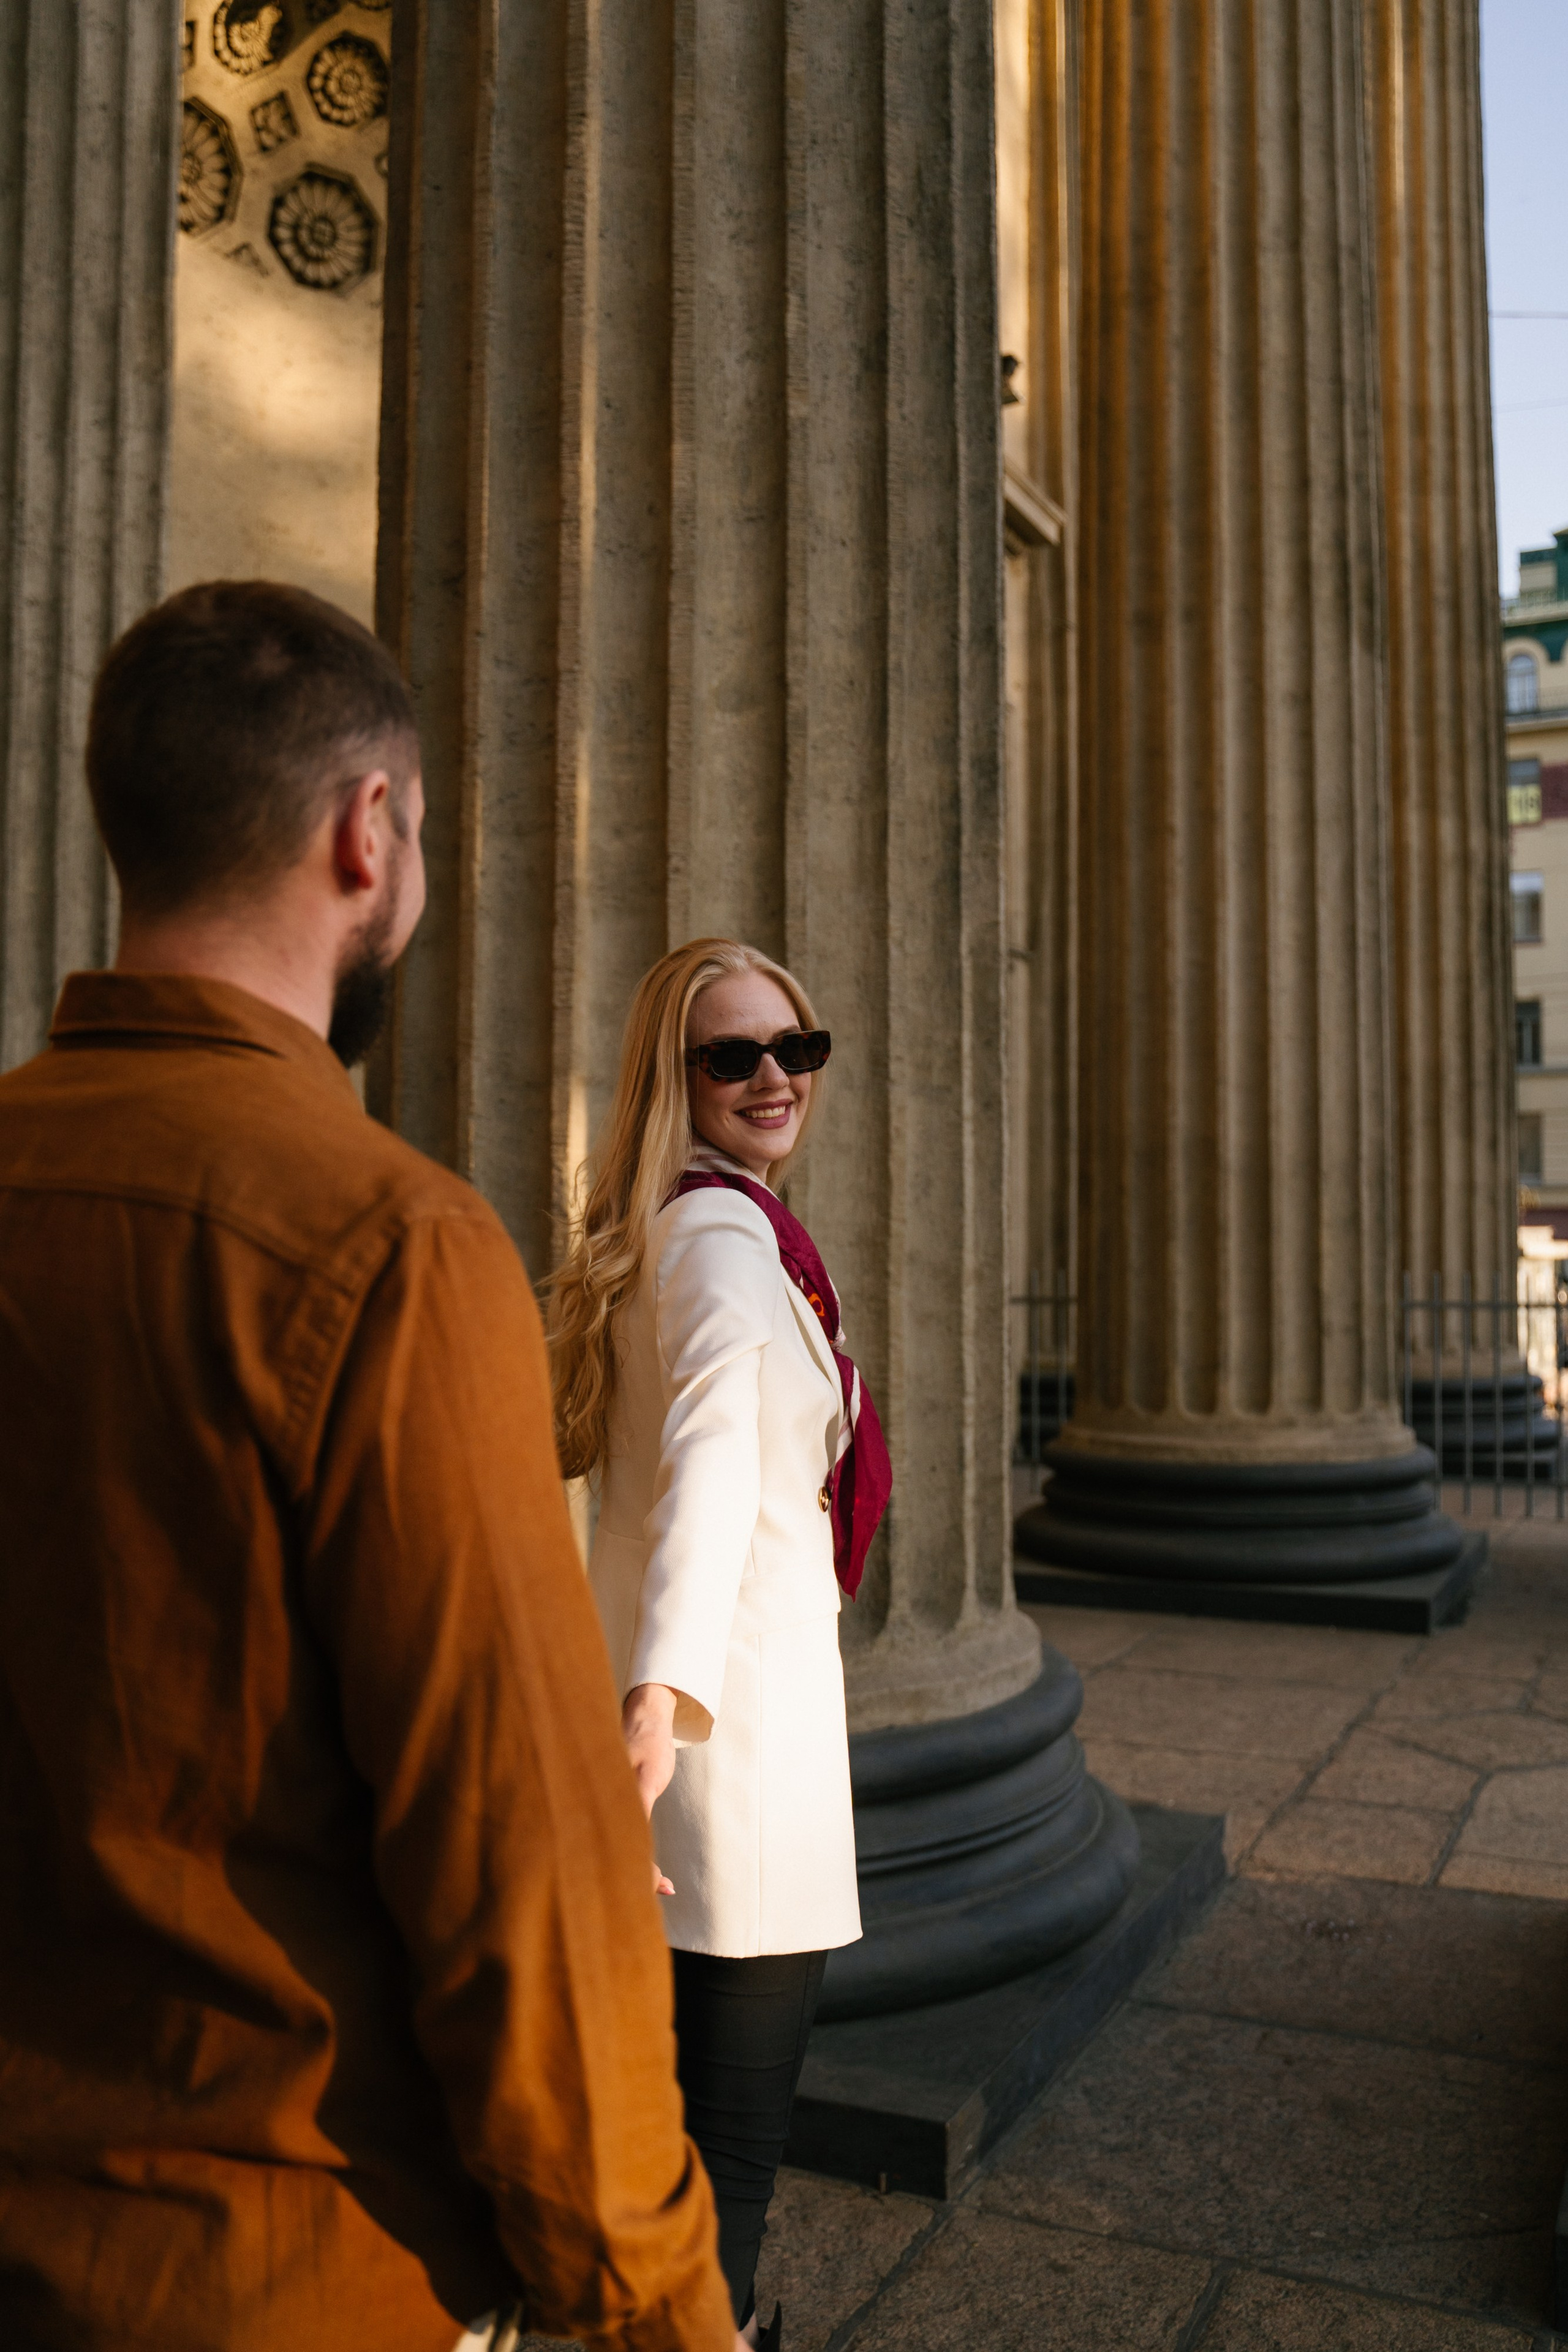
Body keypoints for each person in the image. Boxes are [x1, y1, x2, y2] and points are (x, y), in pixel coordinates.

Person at [0, 582, 738, 2352]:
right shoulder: (387, 1242)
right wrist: (661, 2312)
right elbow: (524, 1882)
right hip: (278, 2270)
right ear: (371, 834)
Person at [548, 938, 891, 2350]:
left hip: (711, 1735)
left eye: (792, 1051)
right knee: (732, 2144)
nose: (771, 1079)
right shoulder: (725, 1241)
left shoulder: (697, 1229)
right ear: (669, 1080)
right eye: (730, 1056)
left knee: (686, 2129)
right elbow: (699, 1471)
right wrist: (656, 1702)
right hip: (731, 1751)